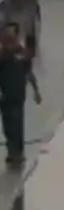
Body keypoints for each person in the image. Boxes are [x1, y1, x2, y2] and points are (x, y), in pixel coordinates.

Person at [0, 22, 38, 166]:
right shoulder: (2, 56)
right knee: (7, 126)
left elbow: (29, 73)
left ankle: (17, 152)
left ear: (16, 37)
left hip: (17, 95)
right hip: (4, 96)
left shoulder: (22, 53)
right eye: (6, 37)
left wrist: (36, 91)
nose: (9, 41)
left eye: (11, 37)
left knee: (16, 124)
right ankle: (12, 151)